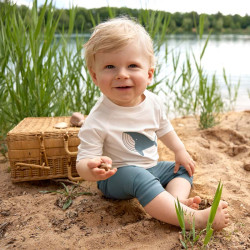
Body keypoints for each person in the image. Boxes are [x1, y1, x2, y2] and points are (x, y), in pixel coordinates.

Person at [76, 17, 229, 230]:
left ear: (149, 74)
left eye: (132, 66)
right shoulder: (97, 119)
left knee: (182, 170)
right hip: (117, 178)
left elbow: (163, 127)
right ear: (95, 76)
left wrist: (179, 150)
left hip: (151, 168)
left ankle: (175, 203)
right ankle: (194, 219)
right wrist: (91, 170)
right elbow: (82, 162)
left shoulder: (153, 102)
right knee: (136, 174)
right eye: (110, 66)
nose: (121, 74)